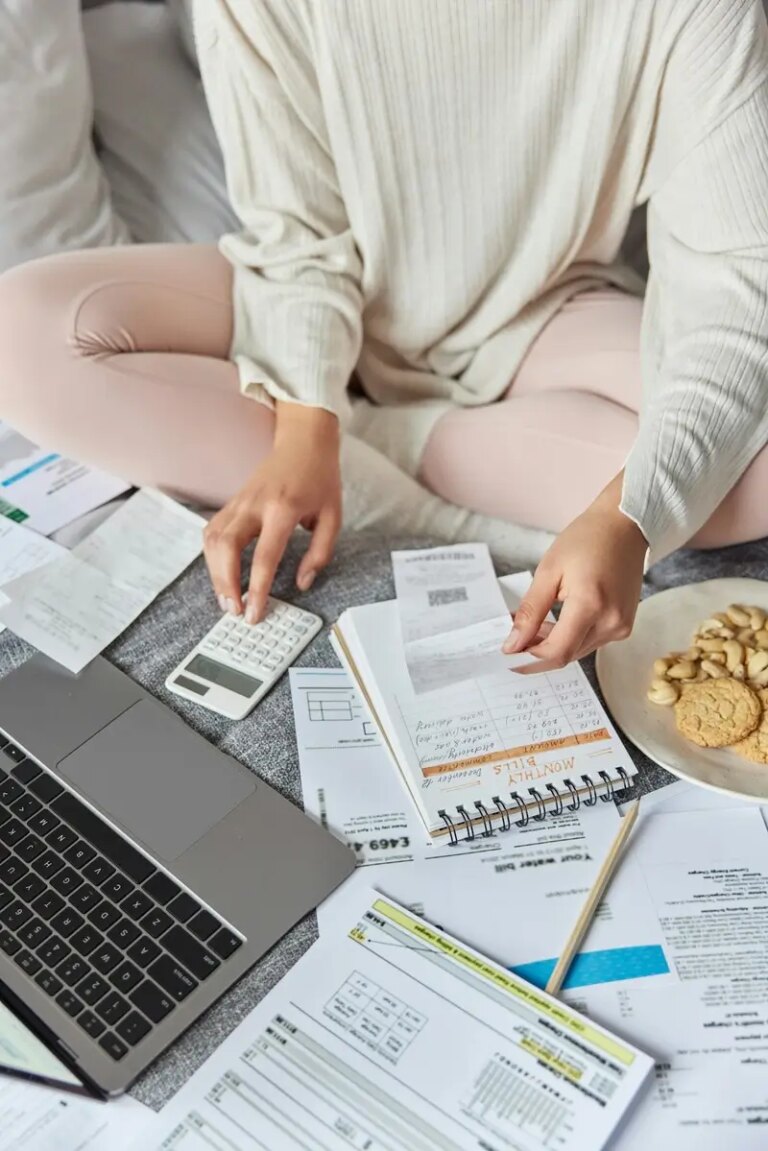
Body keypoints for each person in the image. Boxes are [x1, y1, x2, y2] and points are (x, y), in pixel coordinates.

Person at [1, 0, 767, 669]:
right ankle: (392, 485)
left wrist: (628, 519)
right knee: (21, 332)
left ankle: (376, 453)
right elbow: (298, 235)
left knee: (746, 461)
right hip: (303, 299)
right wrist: (305, 426)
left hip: (542, 311)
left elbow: (737, 281)